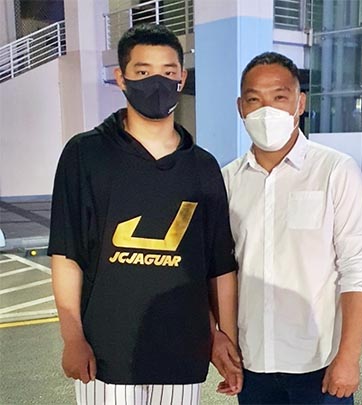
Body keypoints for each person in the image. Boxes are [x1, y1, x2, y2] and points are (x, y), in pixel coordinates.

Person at [48, 24, 241, 405]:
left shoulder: (202, 167)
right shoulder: (85, 155)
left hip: (183, 353)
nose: (157, 82)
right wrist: (72, 337)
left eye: (168, 72)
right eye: (143, 71)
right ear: (121, 78)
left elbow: (217, 265)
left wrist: (222, 335)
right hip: (106, 356)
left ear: (181, 79)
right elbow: (67, 254)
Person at [220, 52, 362, 404]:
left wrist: (348, 358)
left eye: (279, 97)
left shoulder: (335, 170)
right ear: (240, 107)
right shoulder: (228, 180)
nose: (267, 110)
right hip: (254, 364)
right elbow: (223, 270)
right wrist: (226, 342)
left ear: (300, 103)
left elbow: (357, 267)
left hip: (320, 364)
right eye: (254, 100)